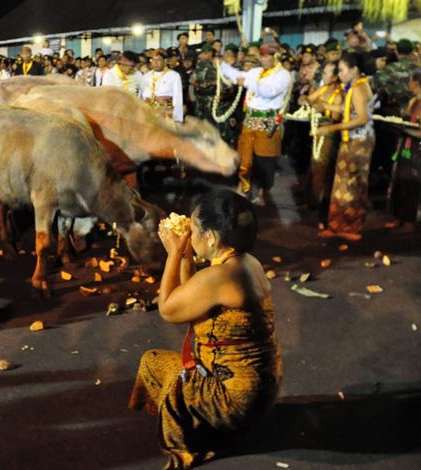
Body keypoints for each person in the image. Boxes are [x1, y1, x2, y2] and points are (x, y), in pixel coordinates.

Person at [129, 189, 281, 470]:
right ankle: (210, 424)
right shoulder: (248, 263)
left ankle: (188, 445)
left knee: (155, 364)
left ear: (211, 237)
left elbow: (168, 309)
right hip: (263, 392)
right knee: (183, 366)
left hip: (236, 400)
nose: (190, 233)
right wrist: (187, 257)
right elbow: (196, 302)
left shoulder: (219, 276)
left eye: (195, 228)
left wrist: (173, 254)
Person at [219, 41, 292, 205]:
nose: (264, 59)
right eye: (263, 56)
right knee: (245, 157)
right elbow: (237, 76)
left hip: (268, 121)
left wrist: (246, 82)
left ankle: (260, 191)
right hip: (250, 120)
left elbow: (268, 91)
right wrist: (222, 65)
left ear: (276, 57)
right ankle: (243, 188)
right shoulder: (256, 72)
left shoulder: (283, 75)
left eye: (268, 56)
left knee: (264, 160)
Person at [316, 51, 375, 241]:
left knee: (350, 185)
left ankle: (348, 227)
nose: (339, 75)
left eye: (342, 70)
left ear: (354, 70)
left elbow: (362, 118)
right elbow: (345, 109)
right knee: (347, 183)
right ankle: (344, 225)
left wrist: (333, 127)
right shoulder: (357, 86)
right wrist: (323, 103)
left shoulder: (358, 88)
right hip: (356, 141)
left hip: (358, 142)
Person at [385, 68, 421, 231]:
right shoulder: (414, 101)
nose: (408, 84)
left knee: (411, 183)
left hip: (418, 148)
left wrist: (402, 129)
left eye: (410, 81)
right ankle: (398, 217)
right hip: (408, 144)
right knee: (400, 180)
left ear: (417, 83)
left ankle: (408, 221)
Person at [301, 61, 343, 222]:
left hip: (328, 133)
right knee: (314, 166)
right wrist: (305, 99)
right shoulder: (324, 88)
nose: (323, 76)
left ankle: (320, 204)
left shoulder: (339, 93)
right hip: (317, 131)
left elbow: (336, 117)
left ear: (335, 77)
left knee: (322, 167)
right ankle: (312, 201)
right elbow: (309, 99)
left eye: (326, 73)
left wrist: (323, 106)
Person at [140, 51, 184, 123]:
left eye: (159, 60)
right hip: (149, 112)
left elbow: (178, 98)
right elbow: (141, 96)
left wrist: (177, 118)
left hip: (165, 112)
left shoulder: (174, 75)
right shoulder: (146, 76)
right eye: (153, 60)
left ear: (165, 61)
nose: (156, 62)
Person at [191, 44, 217, 124]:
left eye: (203, 53)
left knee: (210, 123)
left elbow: (219, 81)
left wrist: (209, 83)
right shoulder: (200, 65)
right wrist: (198, 85)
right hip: (200, 99)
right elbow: (193, 80)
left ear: (210, 53)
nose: (201, 55)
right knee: (200, 123)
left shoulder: (216, 65)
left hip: (211, 100)